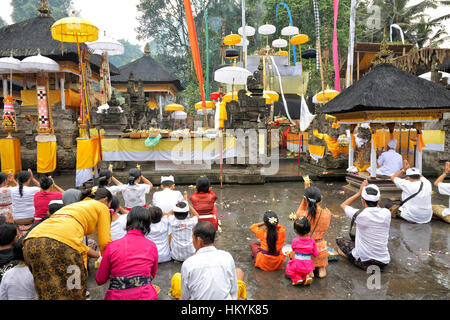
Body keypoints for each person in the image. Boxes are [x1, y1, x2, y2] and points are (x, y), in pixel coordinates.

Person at [23, 188, 112, 300]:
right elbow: (105, 243)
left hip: (31, 242)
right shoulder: (101, 207)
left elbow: (74, 242)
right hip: (62, 246)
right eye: (110, 205)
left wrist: (98, 255)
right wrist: (109, 263)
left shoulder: (73, 207)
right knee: (74, 291)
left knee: (47, 290)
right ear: (105, 200)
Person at [96, 206, 159, 300]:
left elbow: (100, 280)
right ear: (147, 224)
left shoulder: (112, 246)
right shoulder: (152, 246)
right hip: (146, 296)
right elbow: (151, 275)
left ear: (128, 221)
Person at [176, 221, 246, 300]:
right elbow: (233, 290)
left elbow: (185, 297)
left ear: (199, 240)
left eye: (192, 238)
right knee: (238, 271)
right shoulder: (227, 257)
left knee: (176, 278)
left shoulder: (188, 264)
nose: (192, 241)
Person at [336, 181, 391, 271]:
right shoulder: (387, 213)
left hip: (365, 262)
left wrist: (358, 193)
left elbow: (343, 205)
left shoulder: (359, 214)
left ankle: (352, 258)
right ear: (379, 200)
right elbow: (377, 208)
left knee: (339, 240)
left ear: (362, 200)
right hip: (383, 262)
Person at [295, 181, 331, 278]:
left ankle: (308, 271)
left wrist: (305, 197)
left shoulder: (302, 215)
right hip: (320, 250)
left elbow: (298, 213)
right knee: (321, 266)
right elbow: (316, 209)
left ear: (306, 200)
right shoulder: (327, 213)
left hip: (306, 250)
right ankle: (321, 269)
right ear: (320, 199)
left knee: (293, 254)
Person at [285, 217, 319, 286]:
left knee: (289, 268)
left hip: (297, 266)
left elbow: (293, 250)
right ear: (309, 230)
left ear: (296, 231)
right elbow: (316, 254)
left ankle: (297, 279)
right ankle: (307, 276)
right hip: (308, 267)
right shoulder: (312, 241)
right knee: (305, 270)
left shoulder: (295, 241)